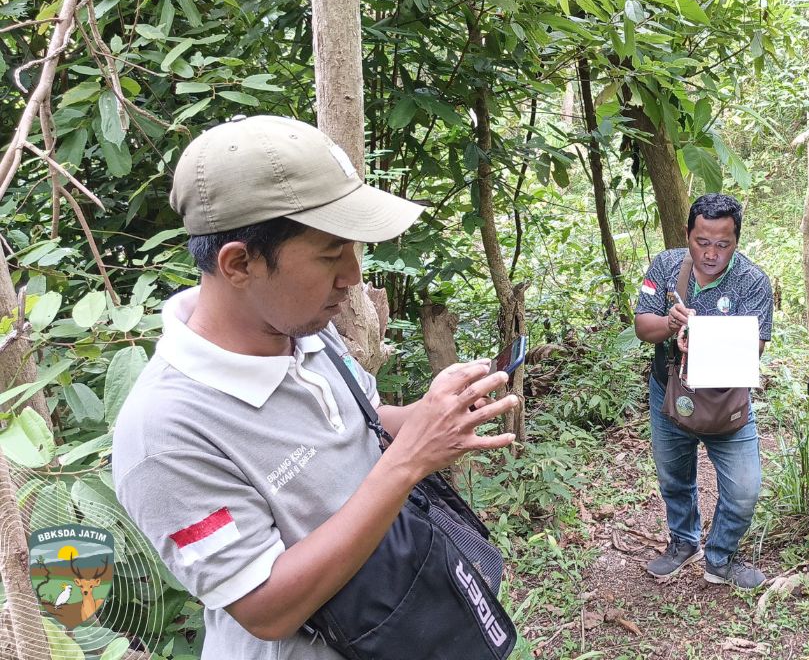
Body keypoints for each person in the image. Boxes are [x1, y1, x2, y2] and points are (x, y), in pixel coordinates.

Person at [112, 115, 519, 658]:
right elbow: (266, 608)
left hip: (403, 619)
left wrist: (433, 413)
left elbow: (363, 421)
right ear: (239, 263)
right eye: (331, 253)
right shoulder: (164, 434)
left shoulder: (303, 332)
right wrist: (410, 460)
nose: (353, 275)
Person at [633, 193, 773, 589]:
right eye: (702, 242)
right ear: (687, 234)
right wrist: (669, 325)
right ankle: (683, 541)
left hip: (726, 401)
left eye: (723, 244)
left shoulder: (752, 281)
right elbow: (644, 327)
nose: (711, 253)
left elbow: (755, 346)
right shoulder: (664, 266)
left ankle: (722, 556)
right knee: (673, 479)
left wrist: (702, 338)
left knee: (745, 489)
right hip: (670, 393)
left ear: (737, 240)